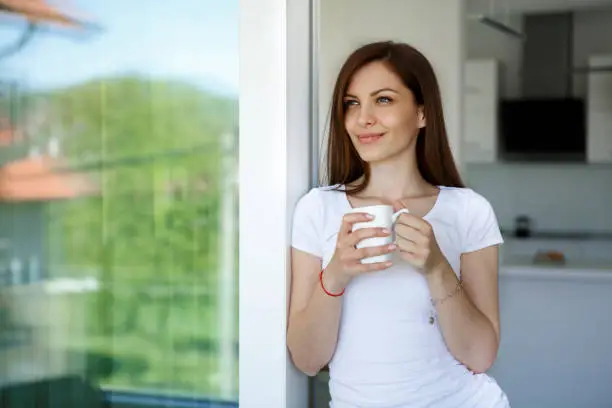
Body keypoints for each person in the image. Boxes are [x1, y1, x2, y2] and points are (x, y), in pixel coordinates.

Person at [287, 41, 511, 408]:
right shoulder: (317, 209)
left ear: (423, 113)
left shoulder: (469, 211)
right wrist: (336, 274)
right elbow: (308, 360)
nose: (363, 119)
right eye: (352, 103)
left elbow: (481, 356)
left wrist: (437, 268)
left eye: (384, 100)